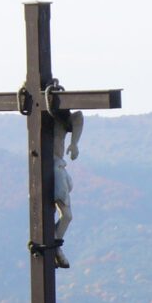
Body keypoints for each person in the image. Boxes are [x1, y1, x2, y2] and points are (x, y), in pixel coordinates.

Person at [51, 109, 85, 268]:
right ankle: (55, 247)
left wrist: (74, 143)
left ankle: (54, 244)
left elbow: (78, 117)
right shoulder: (44, 116)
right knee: (67, 214)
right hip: (53, 168)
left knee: (67, 215)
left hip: (59, 166)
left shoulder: (61, 118)